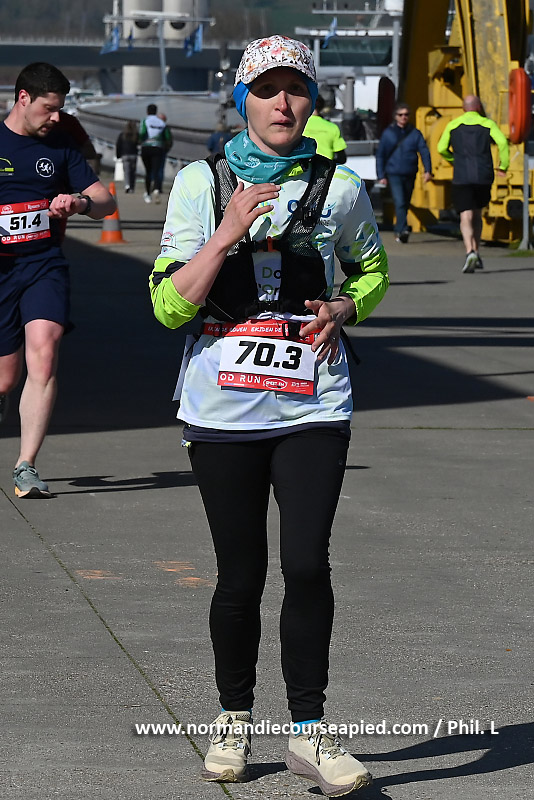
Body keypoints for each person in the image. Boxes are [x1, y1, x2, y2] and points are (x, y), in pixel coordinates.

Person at [150, 34, 388, 796]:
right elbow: (167, 306)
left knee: (307, 563)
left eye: (296, 89)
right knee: (240, 575)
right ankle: (233, 716)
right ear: (242, 99)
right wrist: (226, 234)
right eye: (266, 89)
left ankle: (310, 731)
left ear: (313, 100)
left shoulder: (340, 189)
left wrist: (346, 306)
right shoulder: (201, 182)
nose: (283, 103)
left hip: (314, 401)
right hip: (222, 408)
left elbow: (373, 271)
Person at [0, 62, 115, 496]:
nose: (56, 117)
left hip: (44, 264)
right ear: (23, 98)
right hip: (2, 270)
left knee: (45, 354)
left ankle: (26, 465)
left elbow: (104, 202)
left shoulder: (61, 145)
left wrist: (79, 202)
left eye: (60, 109)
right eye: (49, 108)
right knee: (5, 378)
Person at [437, 94, 509, 273]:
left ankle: (469, 251)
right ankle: (476, 251)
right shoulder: (488, 124)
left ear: (464, 108)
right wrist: (503, 166)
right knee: (477, 214)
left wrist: (453, 159)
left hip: (462, 176)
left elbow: (441, 148)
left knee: (465, 215)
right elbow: (502, 143)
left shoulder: (453, 125)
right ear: (478, 108)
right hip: (483, 176)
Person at [376, 102, 432, 243]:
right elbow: (381, 155)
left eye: (406, 114)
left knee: (405, 202)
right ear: (395, 116)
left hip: (410, 172)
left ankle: (400, 228)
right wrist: (381, 175)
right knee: (400, 201)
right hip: (394, 173)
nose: (403, 117)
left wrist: (428, 170)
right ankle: (402, 230)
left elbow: (424, 151)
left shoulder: (415, 133)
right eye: (400, 115)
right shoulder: (388, 133)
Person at [139, 103, 172, 204]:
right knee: (156, 170)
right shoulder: (162, 123)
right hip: (158, 147)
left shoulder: (145, 121)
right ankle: (156, 189)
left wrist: (140, 141)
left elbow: (142, 133)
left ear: (147, 111)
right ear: (156, 111)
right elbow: (167, 137)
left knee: (148, 171)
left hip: (146, 147)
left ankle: (148, 193)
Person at [303, 94, 347, 163]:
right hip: (325, 167)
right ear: (322, 107)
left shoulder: (299, 125)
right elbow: (342, 158)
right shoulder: (332, 127)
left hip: (303, 166)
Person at [116, 120, 139, 193]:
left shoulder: (122, 135)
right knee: (133, 172)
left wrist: (118, 155)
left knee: (126, 171)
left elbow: (118, 145)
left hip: (125, 155)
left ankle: (127, 185)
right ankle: (132, 187)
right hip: (133, 155)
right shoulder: (136, 135)